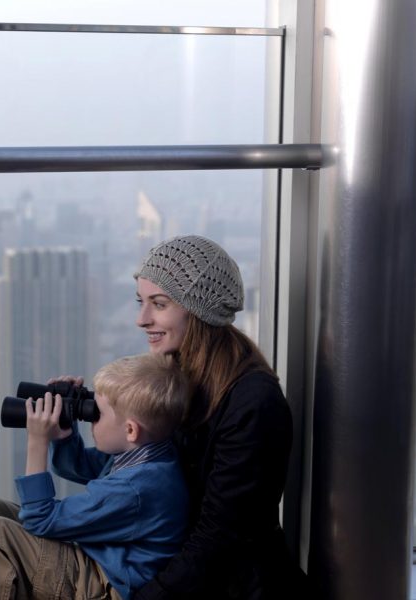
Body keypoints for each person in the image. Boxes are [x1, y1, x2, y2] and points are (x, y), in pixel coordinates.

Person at [0, 353, 191, 600]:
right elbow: (75, 466)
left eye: (97, 413)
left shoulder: (136, 488)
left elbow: (39, 519)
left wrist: (37, 441)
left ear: (131, 430)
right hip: (97, 560)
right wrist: (66, 427)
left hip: (104, 585)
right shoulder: (148, 454)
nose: (91, 419)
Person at [128, 234, 305, 599]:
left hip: (224, 588)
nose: (141, 319)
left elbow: (219, 537)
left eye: (158, 304)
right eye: (141, 302)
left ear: (199, 308)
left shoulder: (252, 402)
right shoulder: (181, 377)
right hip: (168, 565)